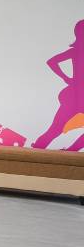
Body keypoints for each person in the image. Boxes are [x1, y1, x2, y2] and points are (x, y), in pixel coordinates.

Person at [32, 19, 84, 151]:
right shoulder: (75, 52)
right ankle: (38, 149)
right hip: (74, 97)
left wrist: (66, 78)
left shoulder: (75, 52)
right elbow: (51, 61)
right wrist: (66, 78)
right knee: (55, 130)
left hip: (76, 96)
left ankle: (71, 152)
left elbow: (52, 62)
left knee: (54, 130)